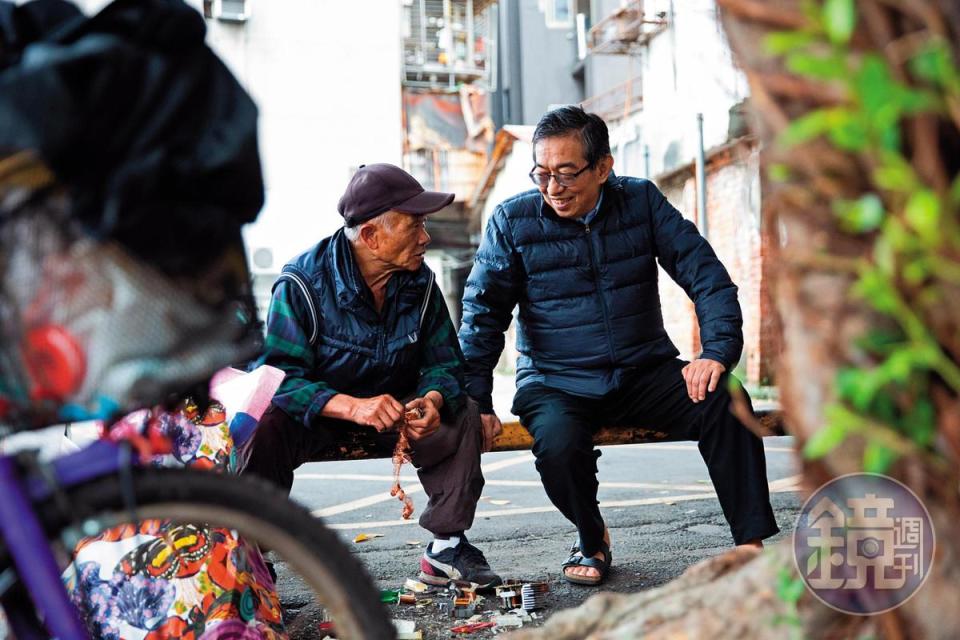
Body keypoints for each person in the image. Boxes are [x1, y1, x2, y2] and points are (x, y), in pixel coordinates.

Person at [458, 106, 779, 586]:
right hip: (555, 379)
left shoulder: (641, 202)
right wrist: (477, 401)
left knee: (726, 399)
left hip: (642, 370)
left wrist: (715, 352)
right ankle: (592, 538)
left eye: (567, 173)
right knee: (558, 447)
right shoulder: (512, 221)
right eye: (542, 174)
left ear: (603, 168)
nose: (552, 187)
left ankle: (750, 547)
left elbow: (706, 276)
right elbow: (482, 316)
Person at [244, 163, 501, 589]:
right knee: (265, 427)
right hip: (323, 412)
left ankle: (447, 547)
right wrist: (352, 407)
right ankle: (250, 555)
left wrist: (433, 399)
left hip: (395, 410)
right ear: (370, 236)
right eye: (414, 224)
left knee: (463, 410)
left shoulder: (419, 282)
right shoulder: (302, 283)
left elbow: (446, 362)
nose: (426, 237)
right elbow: (278, 378)